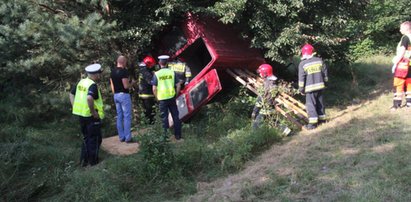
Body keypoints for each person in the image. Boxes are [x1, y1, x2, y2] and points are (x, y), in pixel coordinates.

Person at [70, 63, 104, 167]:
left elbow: (71, 94)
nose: (100, 76)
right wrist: (93, 112)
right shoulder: (92, 85)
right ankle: (93, 162)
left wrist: (74, 106)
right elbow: (89, 98)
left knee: (86, 138)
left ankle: (84, 161)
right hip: (91, 117)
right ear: (95, 74)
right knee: (95, 138)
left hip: (81, 115)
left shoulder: (81, 82)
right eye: (99, 73)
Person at [251, 64, 291, 135]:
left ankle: (254, 139)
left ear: (265, 73)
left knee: (255, 125)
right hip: (271, 107)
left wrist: (255, 111)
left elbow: (261, 99)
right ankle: (287, 132)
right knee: (274, 122)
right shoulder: (272, 83)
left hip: (266, 108)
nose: (259, 74)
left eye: (260, 72)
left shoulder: (267, 84)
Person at [152, 55, 182, 141]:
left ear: (159, 63)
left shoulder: (157, 74)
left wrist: (157, 98)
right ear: (167, 63)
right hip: (172, 98)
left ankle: (165, 138)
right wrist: (176, 94)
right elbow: (178, 85)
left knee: (164, 118)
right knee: (175, 116)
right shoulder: (172, 73)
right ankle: (178, 136)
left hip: (162, 100)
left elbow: (154, 89)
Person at [298, 43, 328, 130]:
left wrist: (301, 89)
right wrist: (326, 84)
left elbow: (301, 79)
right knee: (320, 103)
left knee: (311, 105)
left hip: (310, 89)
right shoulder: (320, 61)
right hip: (320, 87)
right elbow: (325, 74)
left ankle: (312, 124)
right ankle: (322, 120)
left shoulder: (303, 64)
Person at [110, 55, 136, 142]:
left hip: (116, 95)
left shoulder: (112, 72)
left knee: (119, 116)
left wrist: (115, 94)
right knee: (127, 116)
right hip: (124, 95)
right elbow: (126, 86)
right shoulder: (124, 72)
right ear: (123, 62)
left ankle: (121, 137)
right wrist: (132, 83)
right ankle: (128, 137)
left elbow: (112, 86)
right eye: (126, 62)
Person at [391, 21, 411, 109]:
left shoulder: (405, 38)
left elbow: (402, 51)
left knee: (398, 83)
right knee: (409, 83)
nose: (399, 30)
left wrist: (395, 62)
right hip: (410, 65)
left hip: (403, 64)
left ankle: (396, 104)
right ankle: (409, 103)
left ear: (406, 29)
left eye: (401, 28)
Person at [138, 56, 157, 124]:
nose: (152, 66)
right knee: (150, 111)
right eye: (151, 65)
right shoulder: (145, 71)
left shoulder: (142, 69)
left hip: (143, 93)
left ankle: (149, 123)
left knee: (147, 110)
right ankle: (152, 124)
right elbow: (151, 81)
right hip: (147, 94)